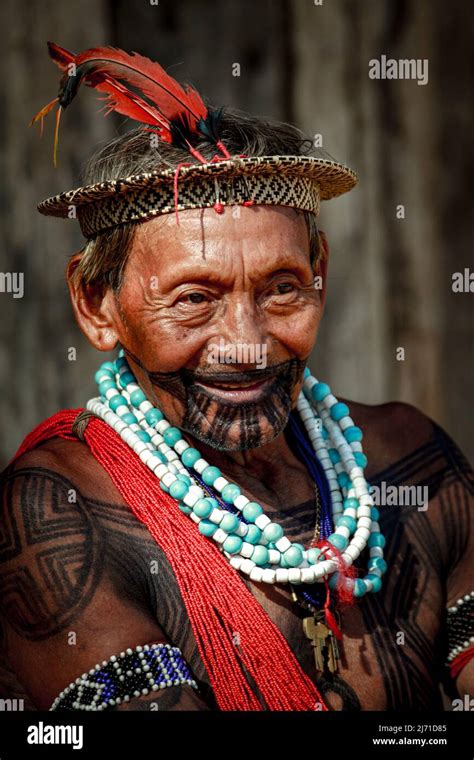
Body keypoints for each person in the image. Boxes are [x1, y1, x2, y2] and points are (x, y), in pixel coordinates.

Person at [0, 43, 472, 712]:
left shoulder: (412, 464)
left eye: (282, 288)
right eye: (194, 298)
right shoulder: (55, 512)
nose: (247, 345)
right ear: (96, 305)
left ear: (321, 276)